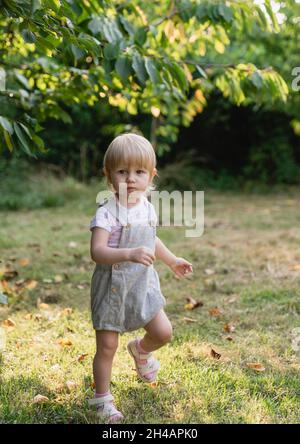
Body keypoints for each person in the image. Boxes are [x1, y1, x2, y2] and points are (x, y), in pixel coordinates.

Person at [88, 133, 193, 422]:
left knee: (163, 332)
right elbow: (97, 252)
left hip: (142, 283)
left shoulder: (146, 207)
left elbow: (151, 239)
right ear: (108, 175)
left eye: (139, 172)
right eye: (122, 171)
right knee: (107, 346)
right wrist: (129, 253)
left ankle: (141, 350)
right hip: (112, 286)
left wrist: (172, 260)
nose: (131, 179)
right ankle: (102, 400)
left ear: (151, 175)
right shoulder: (107, 214)